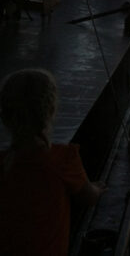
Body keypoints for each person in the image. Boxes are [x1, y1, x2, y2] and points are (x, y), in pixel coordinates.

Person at [0, 69, 105, 256]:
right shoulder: (63, 160)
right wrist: (98, 188)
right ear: (50, 111)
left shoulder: (4, 164)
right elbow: (88, 197)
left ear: (5, 117)